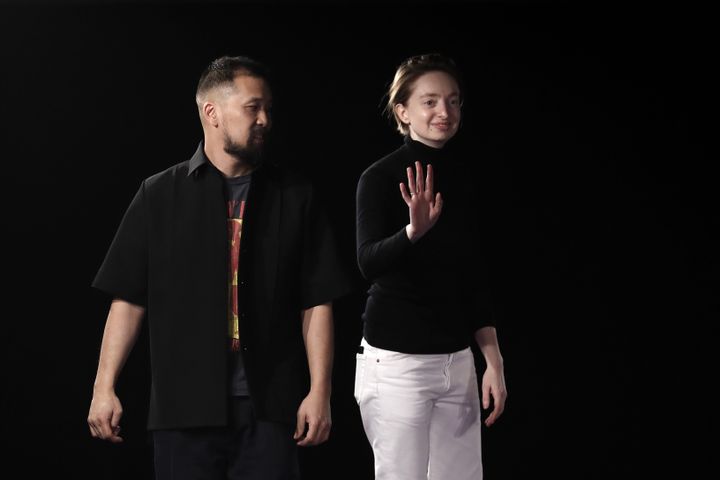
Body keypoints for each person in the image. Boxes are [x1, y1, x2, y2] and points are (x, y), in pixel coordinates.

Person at [87, 55, 351, 480]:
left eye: (268, 108)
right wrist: (104, 387)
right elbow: (129, 299)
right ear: (212, 112)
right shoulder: (157, 195)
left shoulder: (296, 196)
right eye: (252, 108)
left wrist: (320, 391)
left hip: (271, 408)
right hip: (183, 409)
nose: (264, 119)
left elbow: (317, 301)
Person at [354, 53, 508, 480]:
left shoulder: (463, 175)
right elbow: (367, 262)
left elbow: (473, 277)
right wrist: (411, 233)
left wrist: (492, 363)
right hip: (397, 363)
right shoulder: (380, 177)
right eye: (430, 102)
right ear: (403, 111)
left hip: (455, 362)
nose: (445, 112)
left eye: (454, 101)